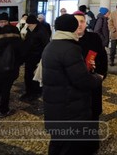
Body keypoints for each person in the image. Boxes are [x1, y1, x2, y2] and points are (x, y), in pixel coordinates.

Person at [42, 14, 104, 155]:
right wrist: (97, 78)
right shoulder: (70, 48)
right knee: (70, 147)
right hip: (69, 108)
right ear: (72, 27)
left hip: (55, 106)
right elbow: (81, 80)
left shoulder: (52, 45)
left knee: (57, 144)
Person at [74, 11, 108, 154]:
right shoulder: (69, 40)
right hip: (76, 87)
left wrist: (100, 76)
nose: (79, 25)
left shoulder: (94, 38)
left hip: (93, 83)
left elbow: (102, 58)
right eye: (76, 22)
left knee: (93, 115)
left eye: (82, 21)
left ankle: (92, 145)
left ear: (85, 23)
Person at [0, 17, 23, 118]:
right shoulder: (18, 42)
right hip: (11, 70)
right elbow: (22, 56)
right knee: (5, 90)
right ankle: (3, 110)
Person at [21, 14, 50, 101]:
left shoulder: (41, 31)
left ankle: (35, 93)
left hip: (37, 59)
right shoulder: (29, 30)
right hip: (29, 58)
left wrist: (42, 59)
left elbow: (46, 46)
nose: (28, 26)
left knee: (35, 77)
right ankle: (28, 92)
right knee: (28, 76)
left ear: (34, 24)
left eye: (29, 24)